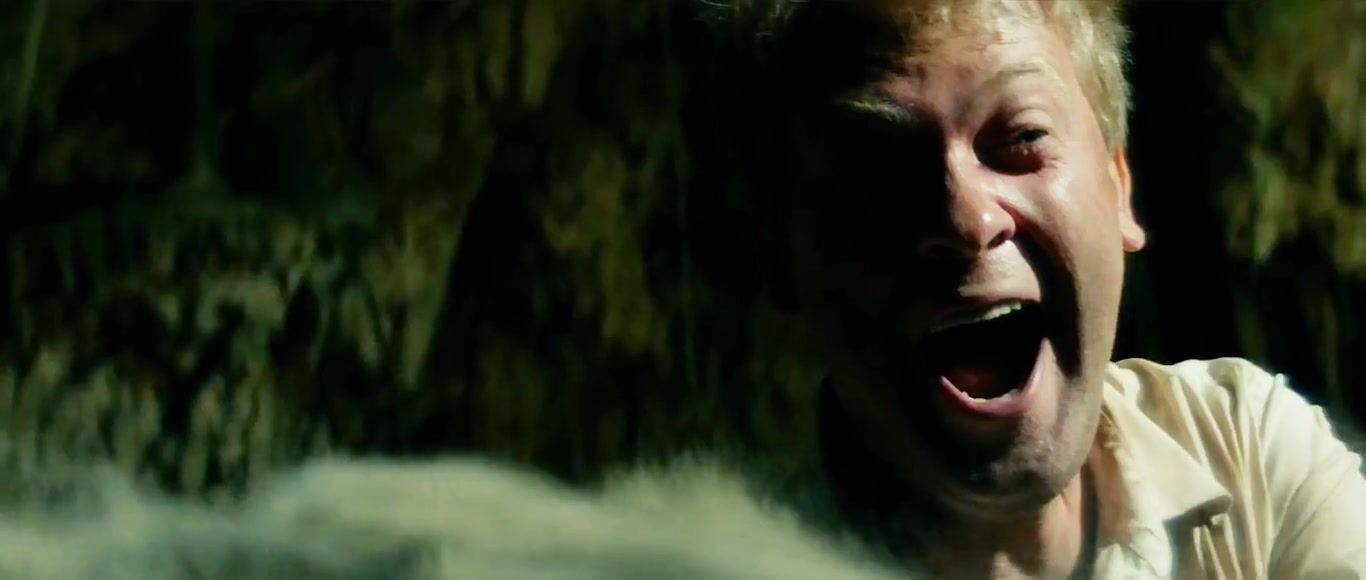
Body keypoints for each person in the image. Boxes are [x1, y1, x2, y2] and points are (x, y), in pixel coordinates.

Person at [704, 0, 1366, 578]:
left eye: (1022, 137)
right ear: (777, 254)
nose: (968, 220)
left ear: (1119, 188)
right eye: (880, 166)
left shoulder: (1248, 456)